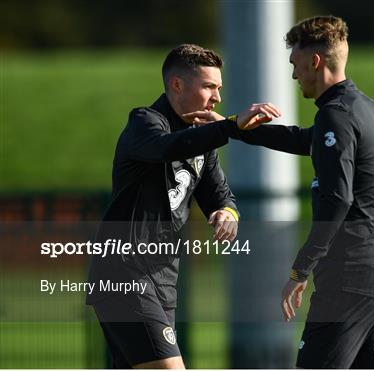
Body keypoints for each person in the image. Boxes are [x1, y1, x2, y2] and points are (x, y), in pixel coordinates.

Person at [185, 15, 374, 369]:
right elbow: (304, 139)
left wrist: (299, 271)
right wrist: (231, 128)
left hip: (348, 284)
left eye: (295, 64)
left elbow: (338, 200)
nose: (293, 75)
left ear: (314, 62)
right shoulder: (363, 109)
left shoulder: (337, 117)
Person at [85, 44, 281, 369]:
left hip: (163, 281)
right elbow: (169, 147)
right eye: (208, 86)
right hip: (124, 273)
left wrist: (227, 214)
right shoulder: (145, 123)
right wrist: (230, 126)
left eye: (218, 88)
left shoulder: (203, 140)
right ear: (177, 85)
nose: (216, 97)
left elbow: (221, 195)